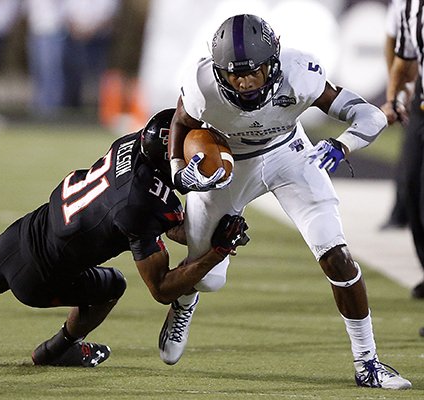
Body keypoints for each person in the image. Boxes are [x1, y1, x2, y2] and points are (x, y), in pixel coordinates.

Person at [0, 109, 250, 367]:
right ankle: (57, 350)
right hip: (43, 275)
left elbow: (154, 217)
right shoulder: (143, 203)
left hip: (26, 232)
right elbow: (162, 288)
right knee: (112, 286)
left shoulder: (132, 145)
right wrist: (217, 250)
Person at [158, 14, 412, 390]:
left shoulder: (300, 72)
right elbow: (180, 123)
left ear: (274, 64)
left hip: (289, 155)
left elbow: (369, 115)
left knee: (337, 255)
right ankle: (184, 303)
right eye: (233, 74)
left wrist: (342, 145)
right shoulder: (202, 84)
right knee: (207, 277)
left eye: (253, 72)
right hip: (228, 164)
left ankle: (367, 362)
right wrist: (180, 172)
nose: (243, 82)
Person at [380, 1, 424, 304]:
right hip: (422, 101)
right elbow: (403, 56)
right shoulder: (410, 5)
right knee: (411, 189)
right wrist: (393, 97)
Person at [379, 0, 413, 231]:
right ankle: (401, 211)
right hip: (418, 92)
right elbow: (395, 46)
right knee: (412, 162)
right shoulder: (405, 6)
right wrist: (399, 92)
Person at [62, 0, 120, 110]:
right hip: (76, 38)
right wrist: (78, 31)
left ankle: (98, 107)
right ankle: (74, 106)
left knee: (97, 76)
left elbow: (110, 16)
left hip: (99, 39)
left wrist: (92, 31)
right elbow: (67, 13)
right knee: (75, 74)